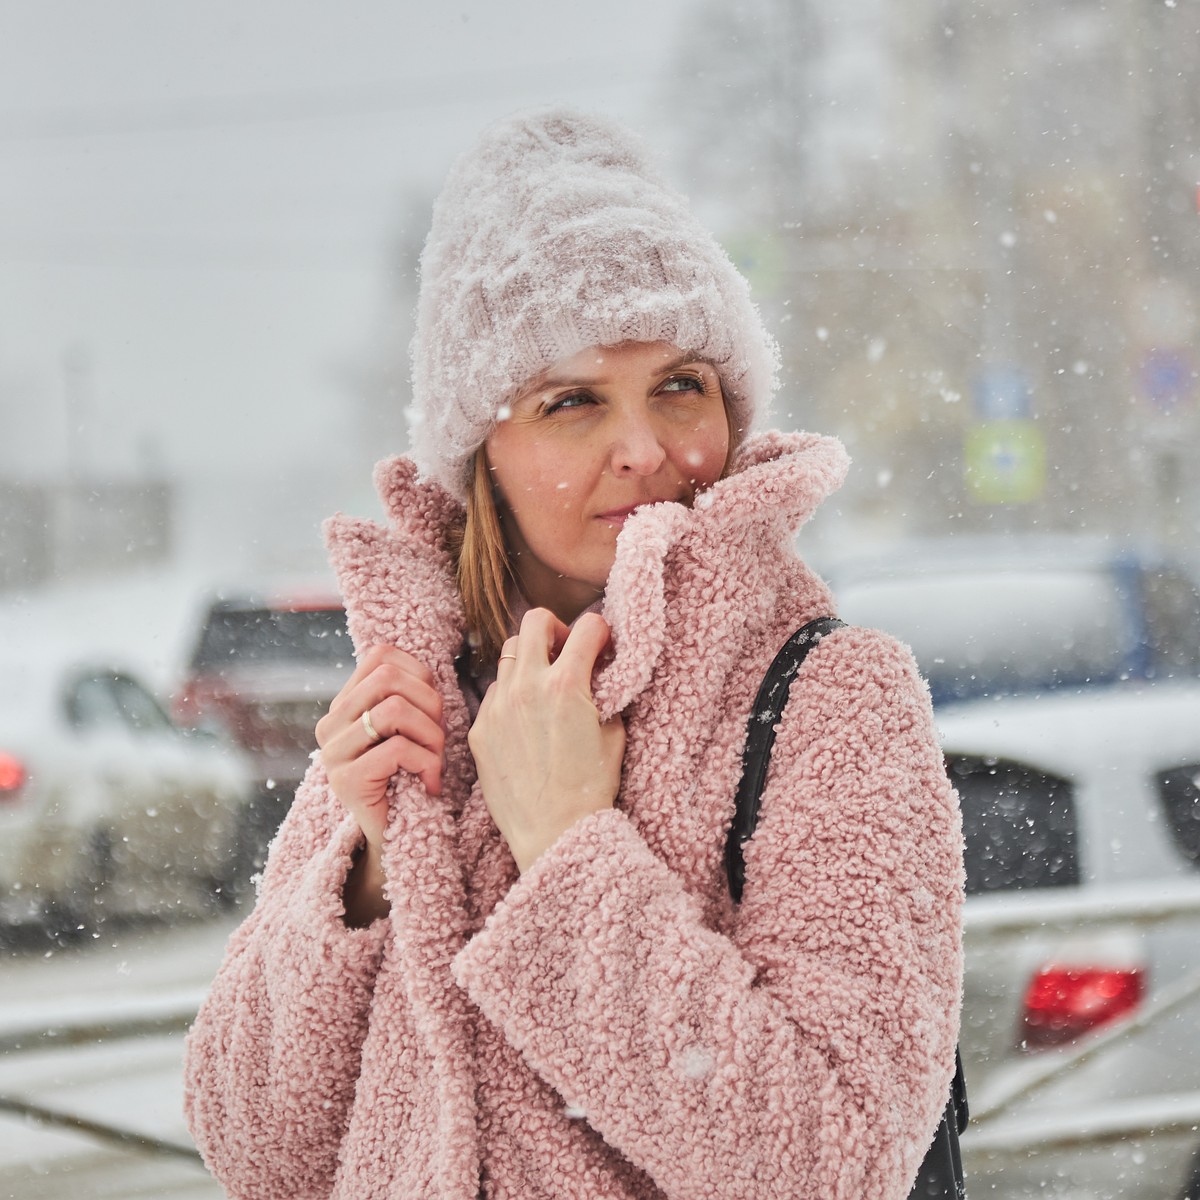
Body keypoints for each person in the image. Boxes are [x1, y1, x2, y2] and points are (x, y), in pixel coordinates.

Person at [183, 108, 963, 1200]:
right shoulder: (416, 698)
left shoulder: (830, 698)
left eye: (680, 386)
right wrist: (364, 867)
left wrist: (566, 853)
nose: (646, 449)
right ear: (480, 456)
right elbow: (256, 1151)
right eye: (573, 401)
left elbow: (831, 1162)